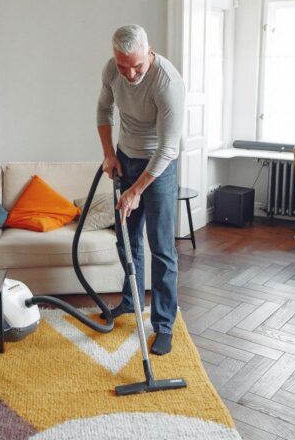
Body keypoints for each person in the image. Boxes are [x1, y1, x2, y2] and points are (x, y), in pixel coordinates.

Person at [97, 24, 186, 355]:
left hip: (158, 169)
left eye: (136, 65)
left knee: (161, 248)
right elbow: (103, 110)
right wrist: (108, 153)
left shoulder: (167, 82)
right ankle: (130, 300)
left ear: (148, 52)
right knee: (125, 237)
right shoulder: (113, 70)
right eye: (123, 66)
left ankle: (163, 325)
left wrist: (135, 191)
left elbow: (167, 149)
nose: (130, 73)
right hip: (125, 158)